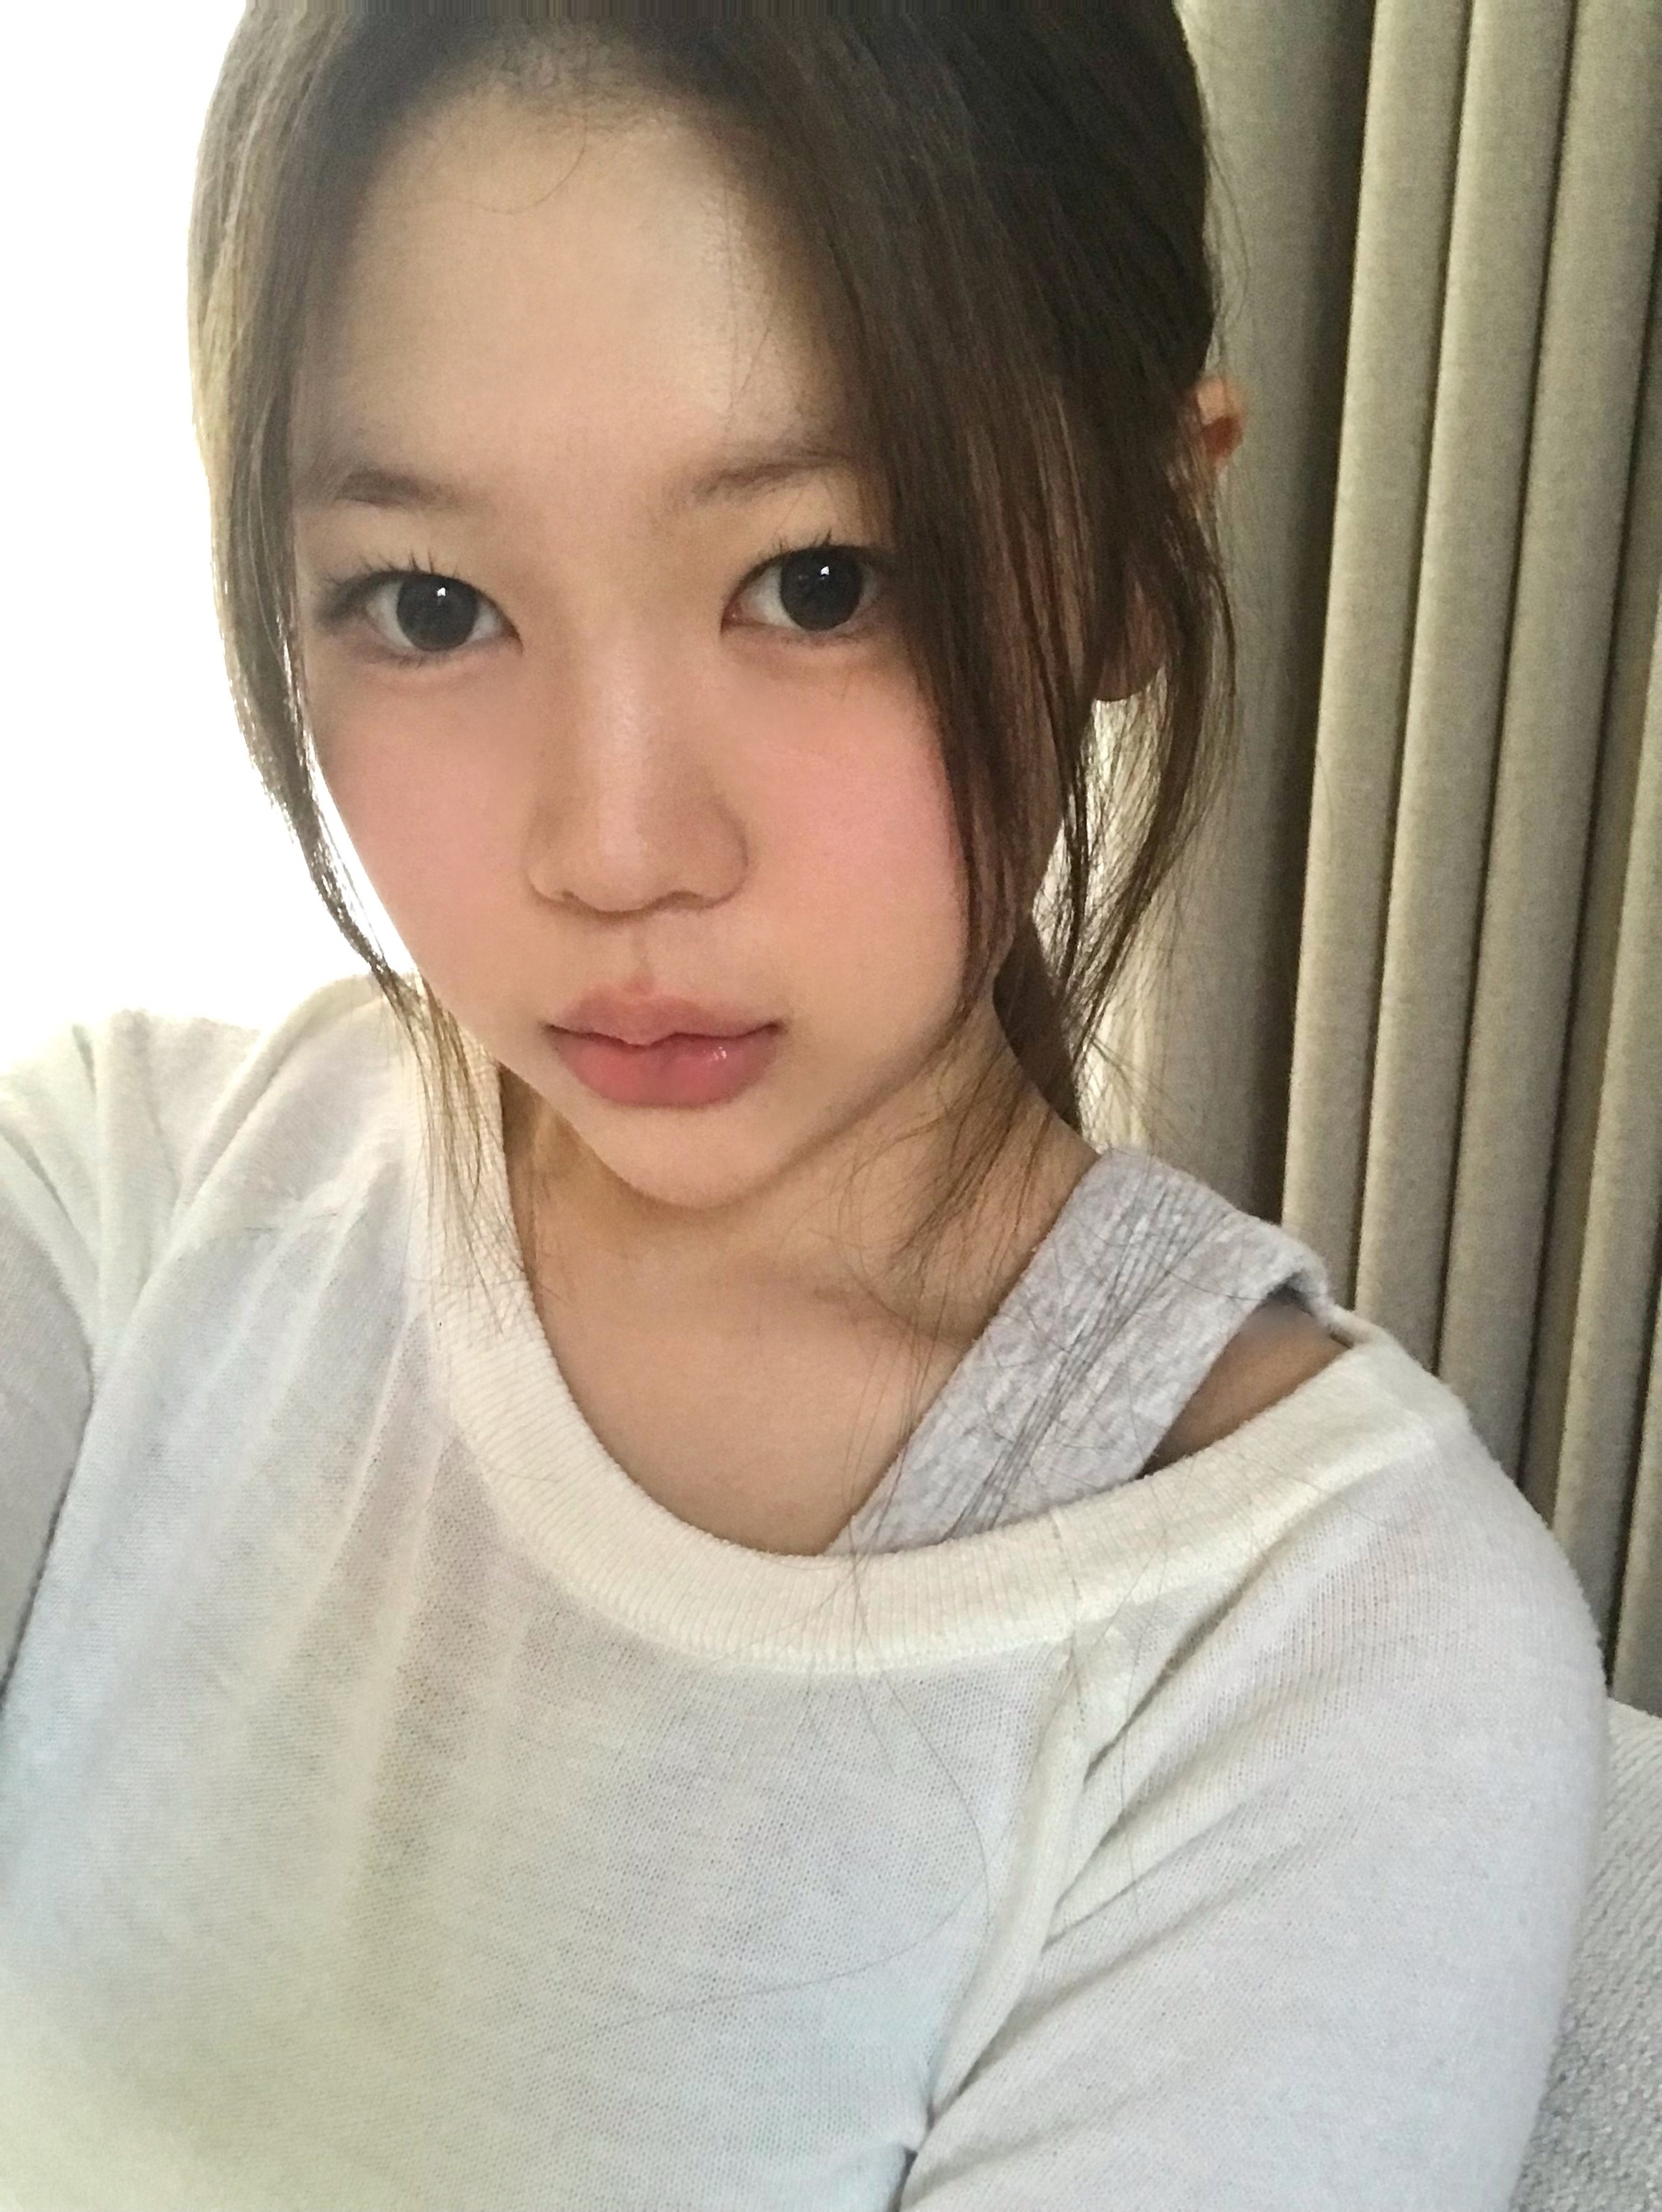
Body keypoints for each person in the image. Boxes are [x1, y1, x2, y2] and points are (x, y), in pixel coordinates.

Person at [0, 8, 1608, 2208]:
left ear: (1137, 550)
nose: (615, 850)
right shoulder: (133, 1201)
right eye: (431, 605)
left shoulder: (1321, 1643)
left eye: (821, 580)